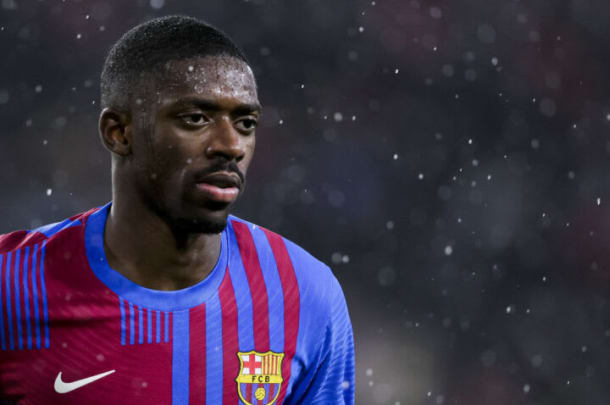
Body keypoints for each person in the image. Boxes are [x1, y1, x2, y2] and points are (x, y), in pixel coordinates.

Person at [0, 15, 354, 405]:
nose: (231, 144)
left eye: (246, 122)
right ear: (118, 133)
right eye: (196, 118)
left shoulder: (305, 294)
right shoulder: (11, 285)